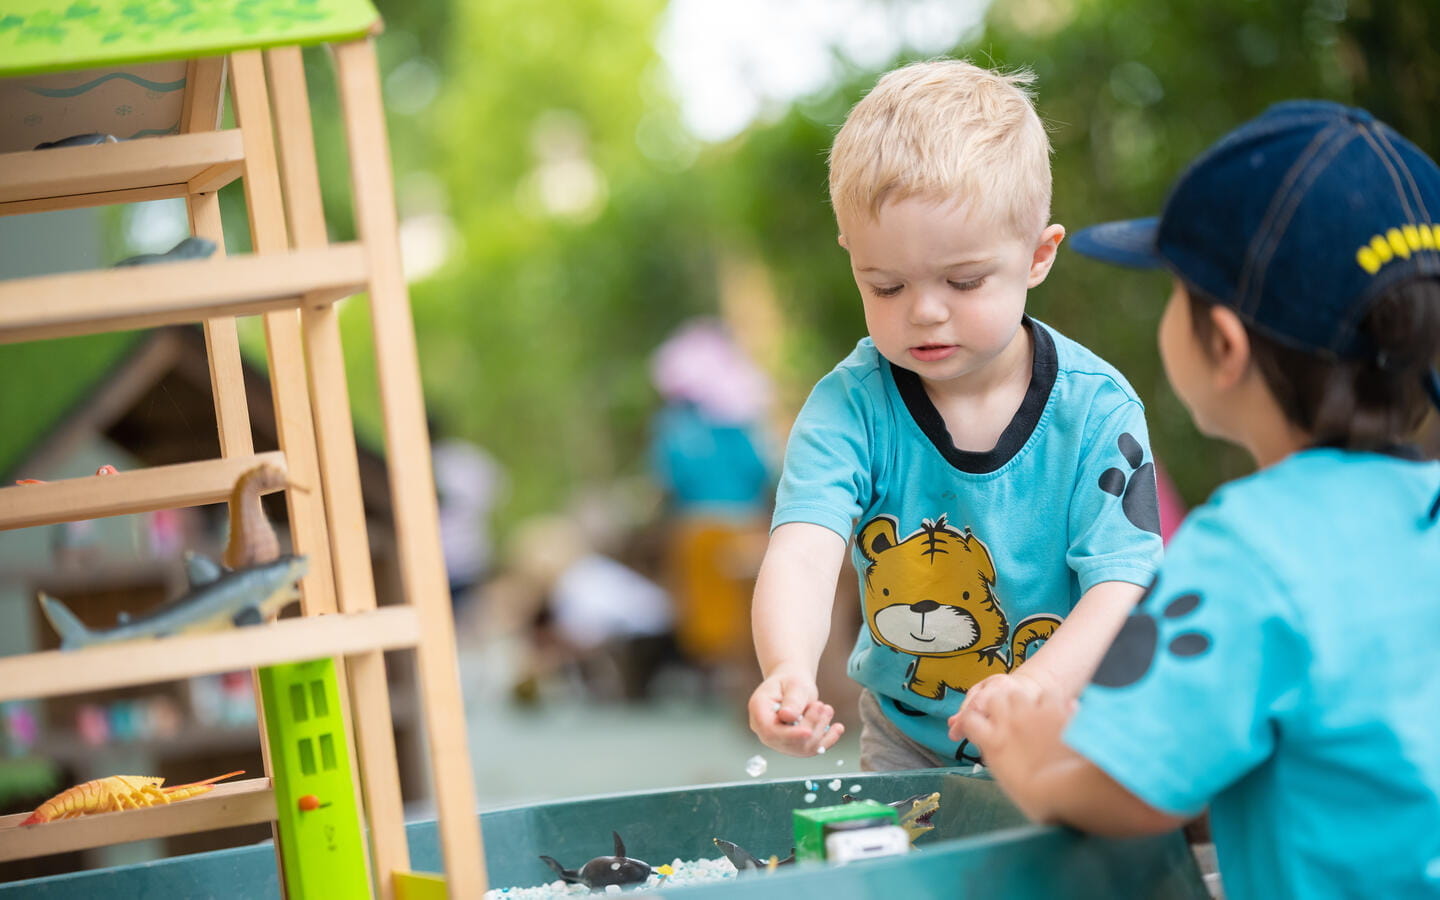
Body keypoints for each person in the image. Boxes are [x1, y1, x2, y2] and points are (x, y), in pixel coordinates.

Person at [955, 100, 1440, 899]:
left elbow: (1141, 785)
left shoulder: (1249, 549)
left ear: (1223, 344)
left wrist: (1032, 760)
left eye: (1175, 290)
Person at [748, 59, 1164, 769]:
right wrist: (787, 666)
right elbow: (803, 551)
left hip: (1068, 729)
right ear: (853, 258)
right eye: (886, 286)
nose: (925, 311)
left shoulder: (1095, 410)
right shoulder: (851, 409)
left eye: (964, 281)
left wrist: (1033, 687)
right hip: (911, 737)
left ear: (1038, 256)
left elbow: (1121, 584)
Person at [649, 319, 774, 694]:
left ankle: (721, 676)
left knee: (706, 609)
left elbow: (669, 477)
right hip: (748, 525)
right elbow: (763, 470)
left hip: (697, 527)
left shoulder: (672, 424)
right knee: (750, 606)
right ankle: (752, 672)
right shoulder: (742, 420)